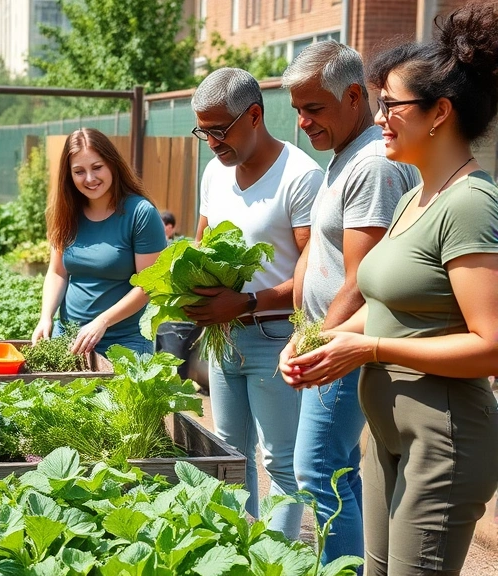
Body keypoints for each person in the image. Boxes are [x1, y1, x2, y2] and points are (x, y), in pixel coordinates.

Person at [281, 4, 498, 574]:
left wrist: (371, 349)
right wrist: (319, 341)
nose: (378, 118)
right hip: (385, 433)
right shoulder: (412, 199)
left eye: (390, 105)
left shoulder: (471, 203)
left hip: (442, 441)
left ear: (438, 113)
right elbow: (379, 307)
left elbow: (490, 344)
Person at [281, 42, 420, 567]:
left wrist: (315, 342)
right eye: (297, 110)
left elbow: (363, 280)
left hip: (342, 344)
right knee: (333, 470)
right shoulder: (345, 155)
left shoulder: (372, 166)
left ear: (355, 96)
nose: (302, 123)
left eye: (313, 109)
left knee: (316, 467)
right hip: (325, 338)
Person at [187, 68, 324, 540]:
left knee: (280, 461)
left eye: (219, 131)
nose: (211, 143)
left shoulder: (301, 176)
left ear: (255, 115)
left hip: (276, 337)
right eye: (203, 131)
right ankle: (236, 552)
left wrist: (244, 303)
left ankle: (275, 558)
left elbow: (316, 272)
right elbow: (199, 246)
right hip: (224, 338)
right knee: (228, 453)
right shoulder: (214, 173)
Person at [31, 128, 165, 356]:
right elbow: (57, 272)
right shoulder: (64, 212)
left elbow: (149, 286)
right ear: (69, 175)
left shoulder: (140, 213)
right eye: (79, 171)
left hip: (125, 343)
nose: (90, 179)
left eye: (97, 167)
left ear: (112, 164)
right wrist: (45, 317)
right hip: (69, 341)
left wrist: (102, 322)